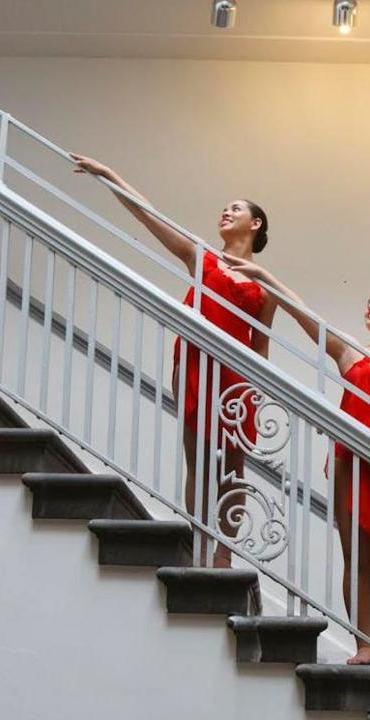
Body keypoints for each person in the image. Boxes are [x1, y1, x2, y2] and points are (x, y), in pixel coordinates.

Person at [70, 154, 277, 568]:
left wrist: (258, 395)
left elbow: (262, 348)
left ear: (255, 225)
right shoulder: (203, 256)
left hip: (238, 376)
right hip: (197, 363)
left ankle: (224, 556)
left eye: (236, 208)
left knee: (233, 468)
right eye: (225, 207)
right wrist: (110, 174)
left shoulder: (265, 285)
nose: (226, 211)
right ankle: (200, 547)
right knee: (198, 460)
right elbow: (150, 218)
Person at [223, 253, 370, 666]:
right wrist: (266, 275)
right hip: (351, 464)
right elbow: (306, 318)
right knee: (357, 557)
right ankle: (363, 645)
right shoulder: (352, 352)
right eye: (368, 299)